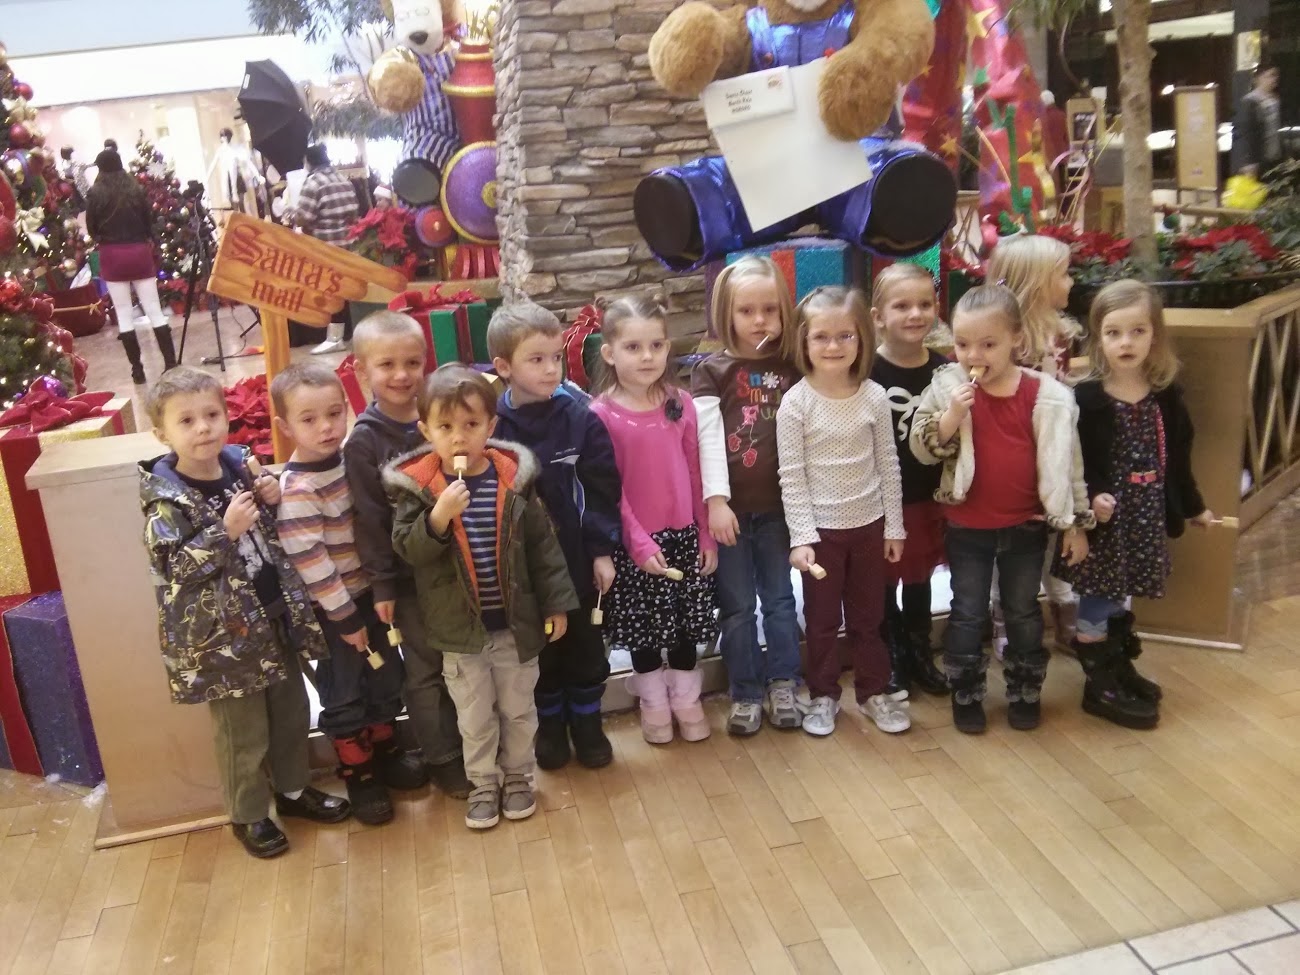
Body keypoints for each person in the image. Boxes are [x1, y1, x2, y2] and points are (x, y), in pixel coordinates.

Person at [138, 367, 351, 858]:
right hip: (223, 640)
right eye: (186, 421)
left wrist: (271, 497)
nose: (203, 428)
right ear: (162, 434)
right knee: (243, 731)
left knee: (291, 712)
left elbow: (269, 533)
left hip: (273, 616)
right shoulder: (165, 499)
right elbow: (174, 570)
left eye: (211, 414)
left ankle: (294, 790)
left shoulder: (239, 464)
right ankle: (249, 814)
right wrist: (224, 531)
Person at [385, 365, 578, 830]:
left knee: (518, 711)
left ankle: (519, 778)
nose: (458, 437)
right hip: (461, 636)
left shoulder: (511, 480)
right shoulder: (419, 491)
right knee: (474, 718)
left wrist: (556, 604)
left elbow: (543, 548)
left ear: (491, 427)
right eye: (445, 427)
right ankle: (483, 783)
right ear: (426, 431)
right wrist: (438, 517)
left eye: (471, 424)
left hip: (515, 626)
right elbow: (408, 549)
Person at [910, 285, 1093, 734]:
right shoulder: (947, 387)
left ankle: (1025, 688)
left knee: (1023, 610)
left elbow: (1069, 465)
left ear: (1016, 340)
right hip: (966, 527)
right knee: (967, 611)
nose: (974, 355)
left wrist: (1074, 524)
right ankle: (966, 691)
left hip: (1025, 527)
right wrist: (951, 418)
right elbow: (921, 449)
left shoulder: (1048, 395)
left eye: (988, 344)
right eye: (963, 344)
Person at [271, 363, 427, 826]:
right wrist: (345, 619)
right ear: (285, 426)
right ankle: (359, 773)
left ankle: (385, 751)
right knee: (343, 689)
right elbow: (312, 562)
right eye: (309, 419)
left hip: (371, 595)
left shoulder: (347, 462)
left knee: (385, 674)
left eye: (334, 414)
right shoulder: (298, 490)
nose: (326, 427)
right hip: (335, 610)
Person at [1056, 280, 1214, 730]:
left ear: (1154, 336)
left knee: (1121, 594)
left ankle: (1118, 667)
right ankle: (1099, 685)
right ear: (1098, 337)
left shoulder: (1165, 396)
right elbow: (1073, 461)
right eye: (1114, 333)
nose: (1126, 342)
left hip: (1144, 515)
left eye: (1137, 331)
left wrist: (1193, 507)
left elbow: (1179, 457)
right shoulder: (1086, 399)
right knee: (1098, 596)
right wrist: (1091, 497)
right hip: (1105, 524)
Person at [343, 311, 471, 800]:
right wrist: (383, 584)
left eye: (412, 363)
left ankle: (476, 743)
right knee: (425, 670)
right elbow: (369, 519)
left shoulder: (439, 420)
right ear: (361, 371)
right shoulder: (364, 441)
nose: (401, 375)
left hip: (460, 568)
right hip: (409, 580)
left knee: (468, 661)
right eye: (387, 364)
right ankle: (442, 757)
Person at [489, 300, 622, 770]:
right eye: (536, 359)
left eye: (556, 357)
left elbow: (601, 489)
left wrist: (602, 551)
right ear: (504, 367)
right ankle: (549, 727)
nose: (551, 369)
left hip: (578, 561)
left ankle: (587, 724)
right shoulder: (492, 427)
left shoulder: (580, 417)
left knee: (586, 649)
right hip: (525, 574)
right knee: (540, 653)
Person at [777, 286, 908, 738]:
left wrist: (894, 527)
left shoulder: (874, 397)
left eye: (844, 336)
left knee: (869, 619)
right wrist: (801, 538)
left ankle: (873, 692)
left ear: (861, 339)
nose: (833, 346)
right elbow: (791, 476)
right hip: (821, 537)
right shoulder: (796, 403)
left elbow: (888, 464)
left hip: (870, 528)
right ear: (804, 341)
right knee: (821, 622)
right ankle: (823, 696)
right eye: (821, 337)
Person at [590, 293, 718, 744]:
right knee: (643, 632)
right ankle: (653, 703)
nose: (647, 356)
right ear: (610, 353)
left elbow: (695, 470)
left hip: (684, 536)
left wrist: (705, 535)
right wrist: (639, 544)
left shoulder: (680, 403)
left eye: (656, 345)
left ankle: (686, 699)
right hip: (635, 545)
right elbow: (610, 489)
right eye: (633, 347)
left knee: (684, 627)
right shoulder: (600, 415)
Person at [691, 256, 803, 737]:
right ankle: (745, 691)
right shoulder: (711, 371)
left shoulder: (794, 367)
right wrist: (716, 502)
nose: (760, 320)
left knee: (780, 601)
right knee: (737, 607)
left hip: (780, 511)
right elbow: (707, 440)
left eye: (769, 309)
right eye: (747, 311)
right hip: (731, 515)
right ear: (726, 314)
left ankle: (784, 682)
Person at [986, 233, 1083, 649]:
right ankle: (1004, 617)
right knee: (1008, 543)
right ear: (1037, 282)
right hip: (1014, 459)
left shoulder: (1059, 336)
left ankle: (1066, 612)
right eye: (1063, 274)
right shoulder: (1005, 344)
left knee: (1056, 536)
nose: (1071, 282)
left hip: (1054, 454)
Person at [867, 263, 949, 700]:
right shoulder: (865, 371)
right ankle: (892, 653)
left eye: (924, 304)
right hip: (880, 502)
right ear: (878, 316)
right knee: (883, 581)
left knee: (919, 578)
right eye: (902, 306)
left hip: (927, 498)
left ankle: (920, 651)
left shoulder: (945, 370)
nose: (915, 314)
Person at [85, 148, 176, 384]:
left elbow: (92, 227)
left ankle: (137, 370)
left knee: (124, 313)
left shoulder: (95, 193)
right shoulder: (136, 189)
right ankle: (170, 363)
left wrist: (103, 238)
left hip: (112, 254)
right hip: (138, 251)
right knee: (154, 309)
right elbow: (149, 222)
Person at [289, 144, 361, 354]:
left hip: (326, 248)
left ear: (308, 161)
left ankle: (334, 338)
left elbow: (304, 218)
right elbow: (355, 212)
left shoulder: (313, 183)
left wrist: (290, 212)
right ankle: (346, 334)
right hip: (349, 245)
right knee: (344, 291)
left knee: (330, 293)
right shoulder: (343, 179)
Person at [1234, 63, 1283, 179]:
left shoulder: (1275, 100)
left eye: (1276, 75)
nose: (1274, 79)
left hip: (1274, 156)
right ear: (1259, 78)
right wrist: (1247, 161)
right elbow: (1244, 133)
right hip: (1257, 159)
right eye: (1270, 75)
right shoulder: (1250, 102)